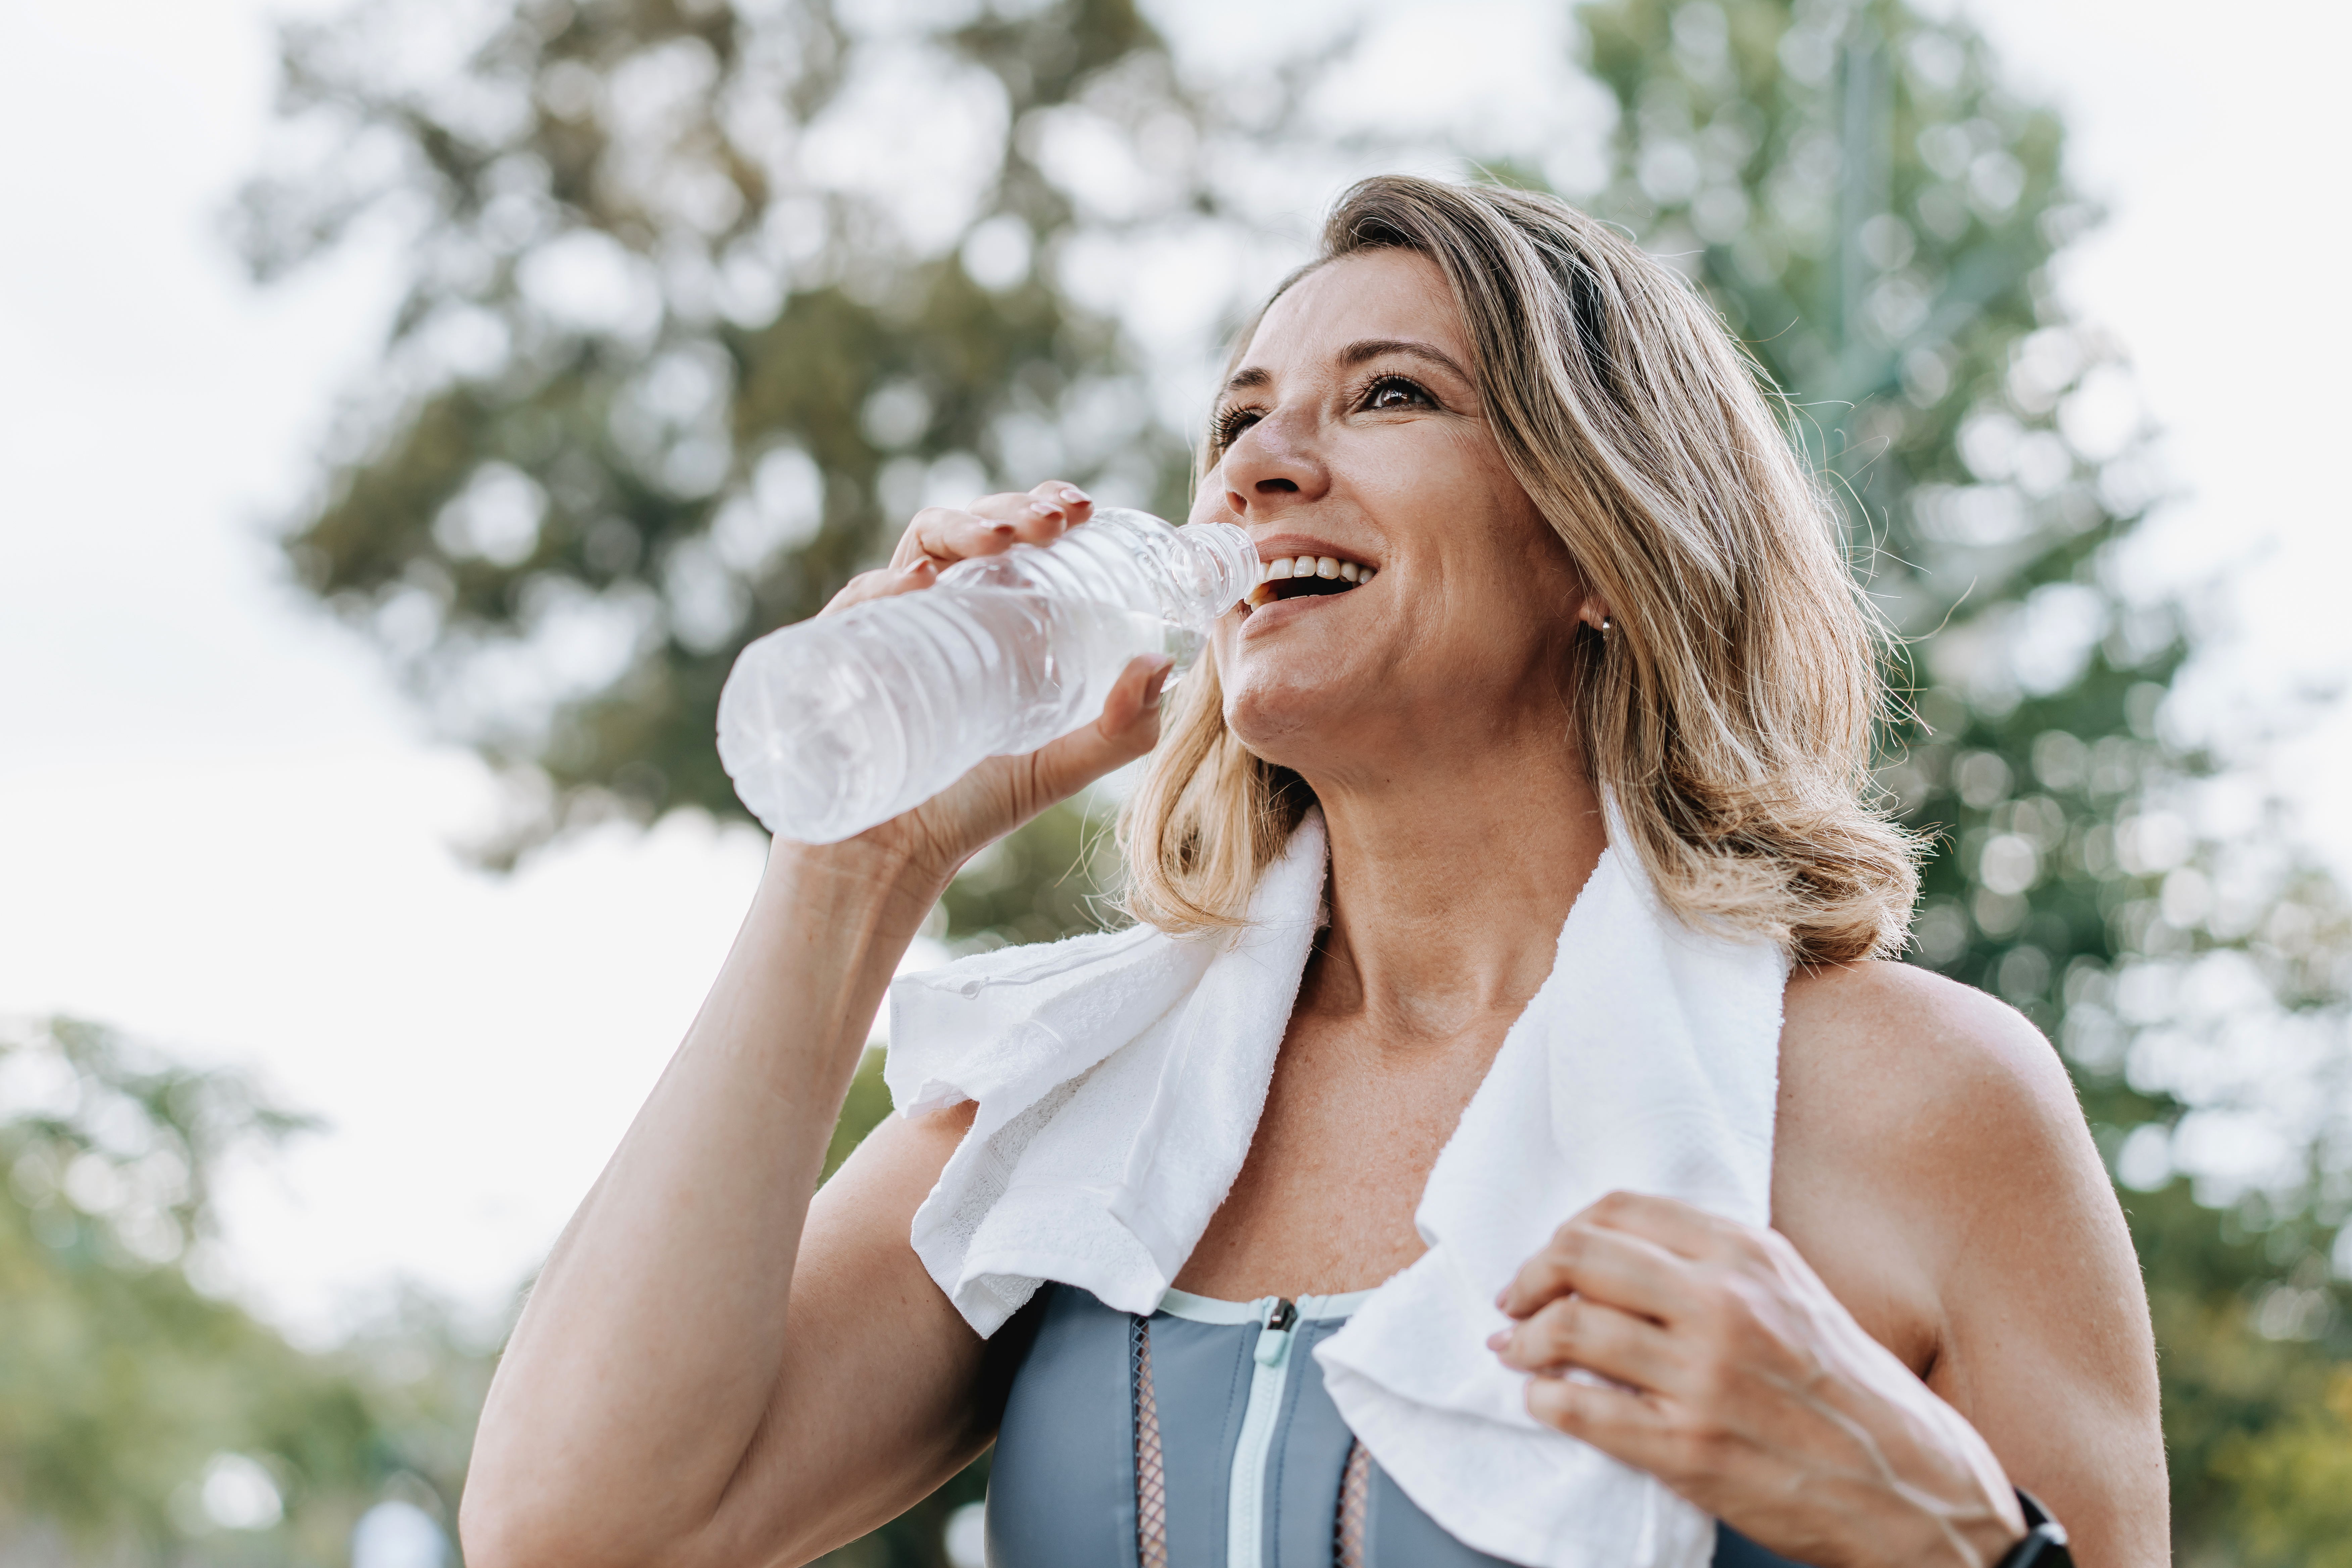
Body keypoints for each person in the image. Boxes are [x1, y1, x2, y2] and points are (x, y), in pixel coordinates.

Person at [459, 177, 2166, 1568]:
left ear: (1599, 541)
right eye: (1238, 421)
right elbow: (577, 1525)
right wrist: (851, 868)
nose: (1262, 463)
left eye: (1392, 397)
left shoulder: (1924, 1103)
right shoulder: (1075, 1103)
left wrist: (1950, 1538)